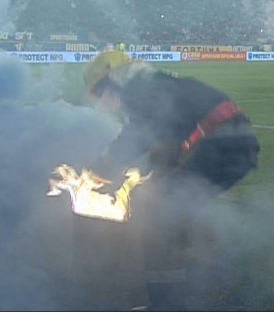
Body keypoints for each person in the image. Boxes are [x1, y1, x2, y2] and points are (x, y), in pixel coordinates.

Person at [53, 50, 261, 309]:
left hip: (221, 147)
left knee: (156, 219)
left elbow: (138, 136)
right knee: (174, 213)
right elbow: (167, 136)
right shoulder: (156, 83)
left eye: (99, 91)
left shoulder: (137, 90)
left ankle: (167, 302)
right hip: (235, 146)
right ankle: (214, 282)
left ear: (111, 81)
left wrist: (98, 171)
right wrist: (156, 177)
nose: (102, 100)